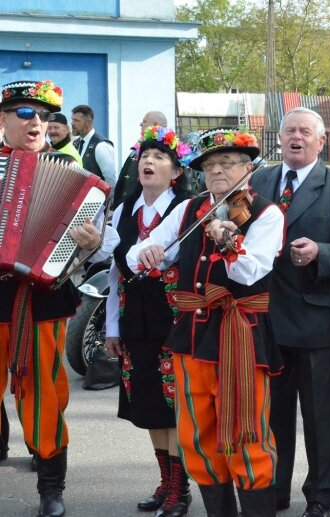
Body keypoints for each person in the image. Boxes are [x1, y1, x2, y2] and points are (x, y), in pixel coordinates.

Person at [128, 127, 285, 517]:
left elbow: (249, 272)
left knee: (245, 434)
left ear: (249, 169)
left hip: (239, 338)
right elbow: (144, 251)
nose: (216, 171)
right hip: (190, 337)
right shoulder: (189, 209)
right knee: (197, 436)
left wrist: (229, 241)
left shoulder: (266, 213)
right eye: (209, 165)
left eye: (227, 163)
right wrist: (147, 252)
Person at [249, 107, 330, 517]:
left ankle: (320, 495)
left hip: (314, 316)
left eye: (305, 132)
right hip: (265, 316)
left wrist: (320, 253)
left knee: (318, 416)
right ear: (279, 139)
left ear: (320, 141)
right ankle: (274, 489)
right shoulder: (259, 180)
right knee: (272, 413)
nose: (296, 138)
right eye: (289, 131)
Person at [0, 79, 109, 517]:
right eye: (26, 113)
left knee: (44, 391)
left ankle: (51, 487)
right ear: (3, 119)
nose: (37, 124)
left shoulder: (72, 174)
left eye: (44, 117)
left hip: (40, 300)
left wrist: (89, 241)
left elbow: (88, 249)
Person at [104, 125, 193, 516]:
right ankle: (165, 482)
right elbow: (112, 272)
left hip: (173, 318)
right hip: (135, 318)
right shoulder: (125, 210)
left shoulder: (186, 210)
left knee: (174, 402)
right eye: (144, 157)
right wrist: (111, 326)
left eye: (159, 158)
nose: (149, 163)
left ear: (175, 171)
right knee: (148, 401)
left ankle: (181, 488)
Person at [113, 111, 168, 210]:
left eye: (144, 121)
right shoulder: (138, 147)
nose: (141, 124)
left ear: (155, 125)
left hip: (143, 207)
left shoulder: (166, 151)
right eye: (145, 155)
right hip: (124, 207)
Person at [71, 104, 117, 188]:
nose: (72, 124)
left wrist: (110, 201)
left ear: (88, 122)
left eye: (77, 121)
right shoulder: (75, 144)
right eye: (72, 120)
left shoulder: (101, 146)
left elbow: (110, 179)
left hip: (98, 199)